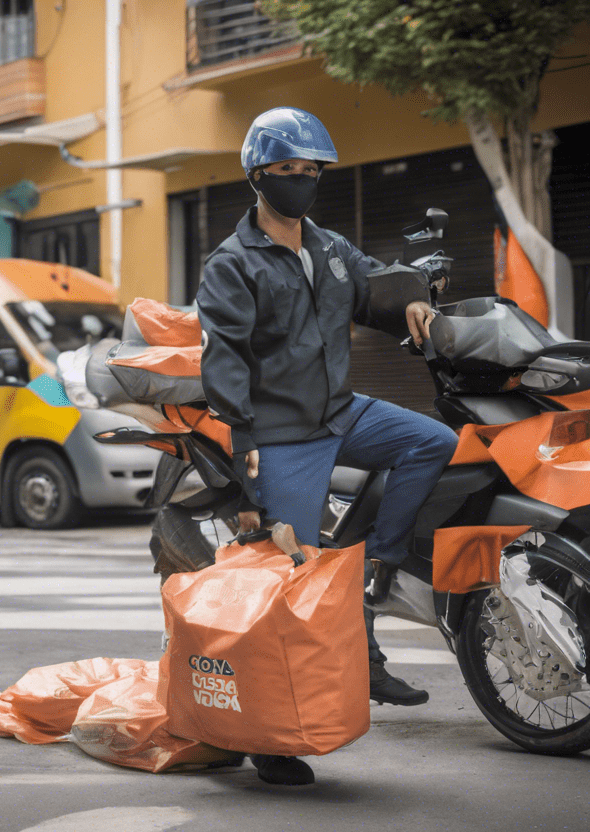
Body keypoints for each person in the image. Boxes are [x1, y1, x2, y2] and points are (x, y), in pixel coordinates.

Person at [196, 107, 459, 785]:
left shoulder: (331, 248)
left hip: (341, 412)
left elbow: (373, 289)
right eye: (289, 172)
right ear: (259, 176)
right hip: (283, 432)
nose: (302, 182)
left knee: (431, 441)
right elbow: (224, 361)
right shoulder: (233, 265)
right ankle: (271, 741)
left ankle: (377, 566)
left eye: (312, 173)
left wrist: (411, 300)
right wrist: (244, 447)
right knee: (288, 576)